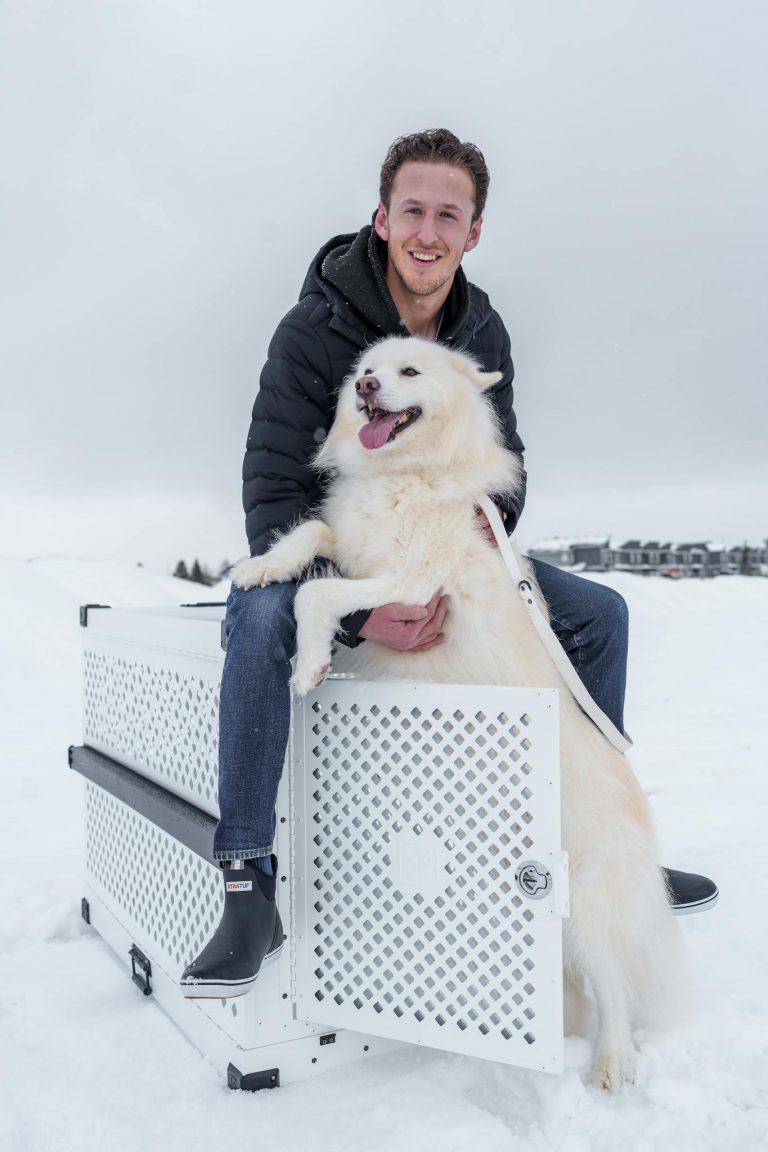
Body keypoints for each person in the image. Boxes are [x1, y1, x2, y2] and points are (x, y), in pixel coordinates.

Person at [180, 129, 717, 1000]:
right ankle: (247, 884)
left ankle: (603, 849)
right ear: (383, 218)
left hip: (440, 551)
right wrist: (356, 610)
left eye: (449, 216)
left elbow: (506, 469)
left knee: (599, 616)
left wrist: (474, 534)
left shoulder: (482, 326)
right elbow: (272, 492)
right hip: (343, 554)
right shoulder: (313, 330)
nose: (428, 232)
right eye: (414, 211)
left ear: (472, 234)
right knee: (260, 613)